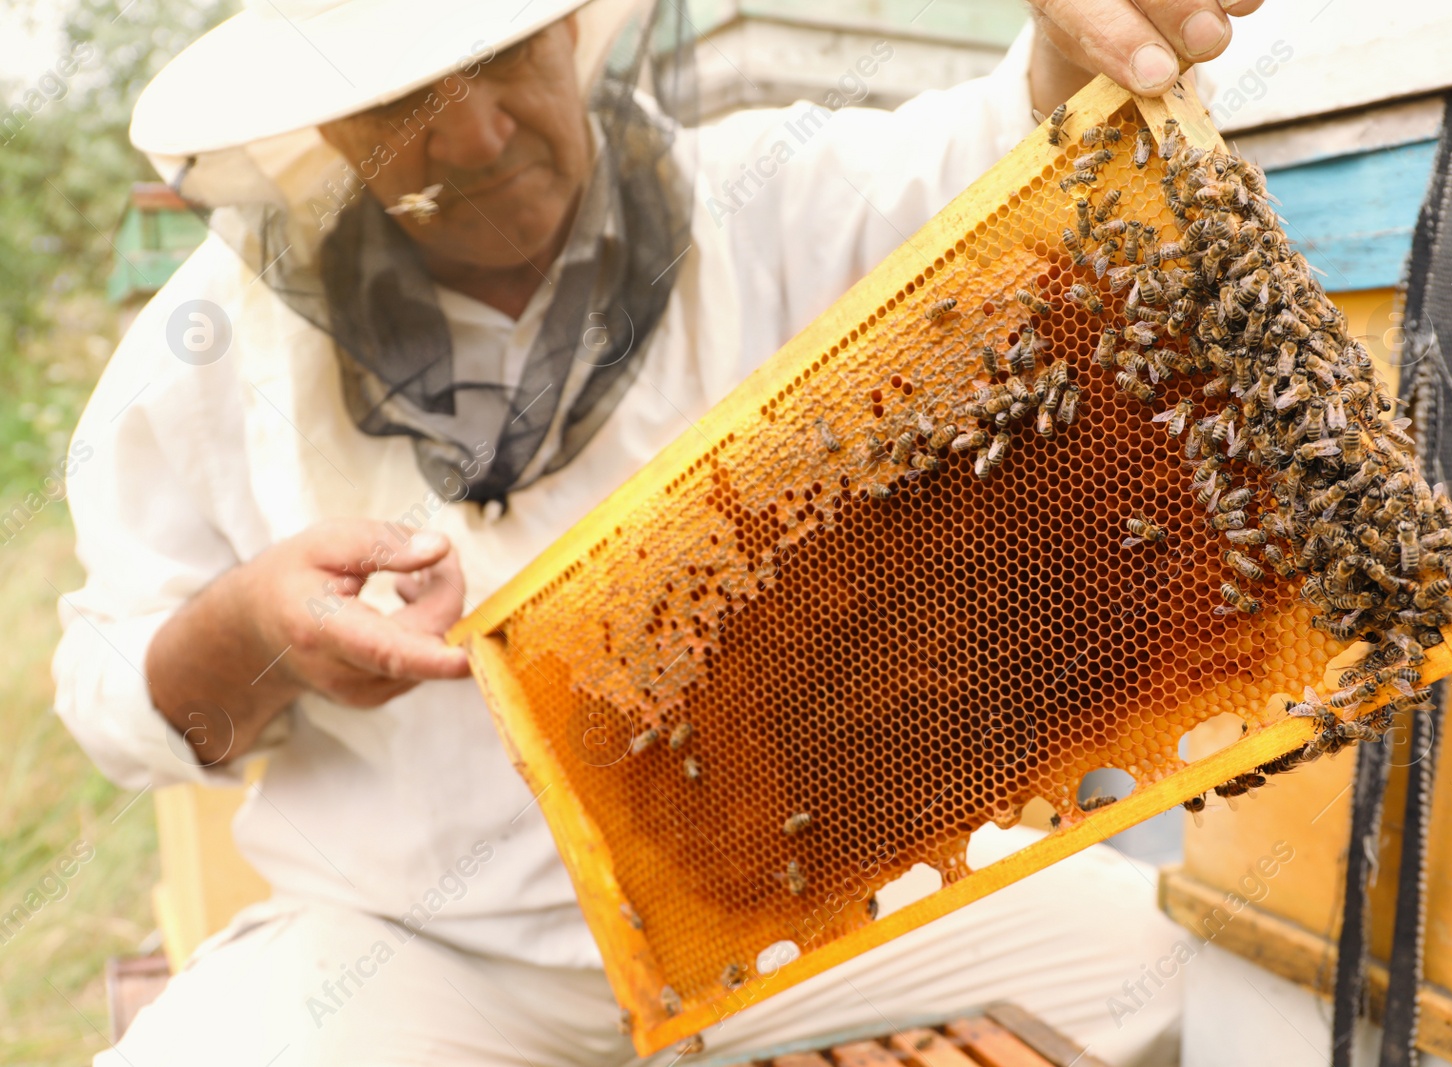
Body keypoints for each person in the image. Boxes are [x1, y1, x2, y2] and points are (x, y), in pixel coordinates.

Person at [54, 0, 1262, 1063]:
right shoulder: (196, 363)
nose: (475, 137)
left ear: (570, 32)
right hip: (428, 953)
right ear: (316, 125)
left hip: (829, 905)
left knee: (1195, 983)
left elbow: (995, 154)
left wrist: (1073, 44)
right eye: (404, 100)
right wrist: (247, 629)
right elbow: (115, 698)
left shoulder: (765, 195)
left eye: (504, 57)